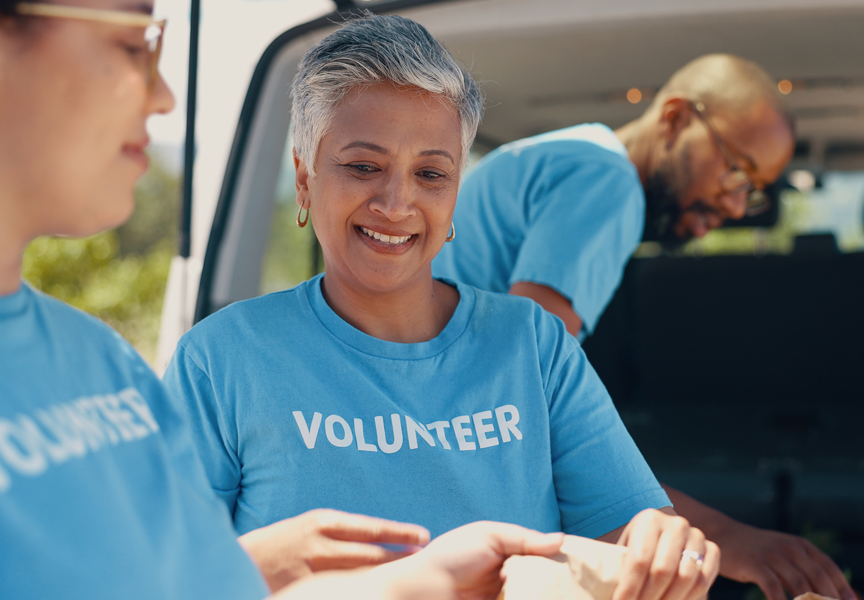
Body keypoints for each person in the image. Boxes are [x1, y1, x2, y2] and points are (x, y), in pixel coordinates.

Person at [0, 2, 608, 598]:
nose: (163, 95)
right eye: (135, 46)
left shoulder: (104, 365)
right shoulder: (216, 357)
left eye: (433, 173)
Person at [163, 13, 719, 600]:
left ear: (456, 192)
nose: (397, 203)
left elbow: (624, 540)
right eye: (362, 167)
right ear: (304, 179)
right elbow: (156, 574)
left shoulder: (532, 344)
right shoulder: (220, 358)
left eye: (431, 173)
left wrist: (660, 545)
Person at [431, 55, 855, 600]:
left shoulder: (573, 153)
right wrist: (724, 536)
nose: (733, 204)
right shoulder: (608, 184)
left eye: (752, 191)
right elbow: (531, 405)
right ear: (676, 118)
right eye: (735, 170)